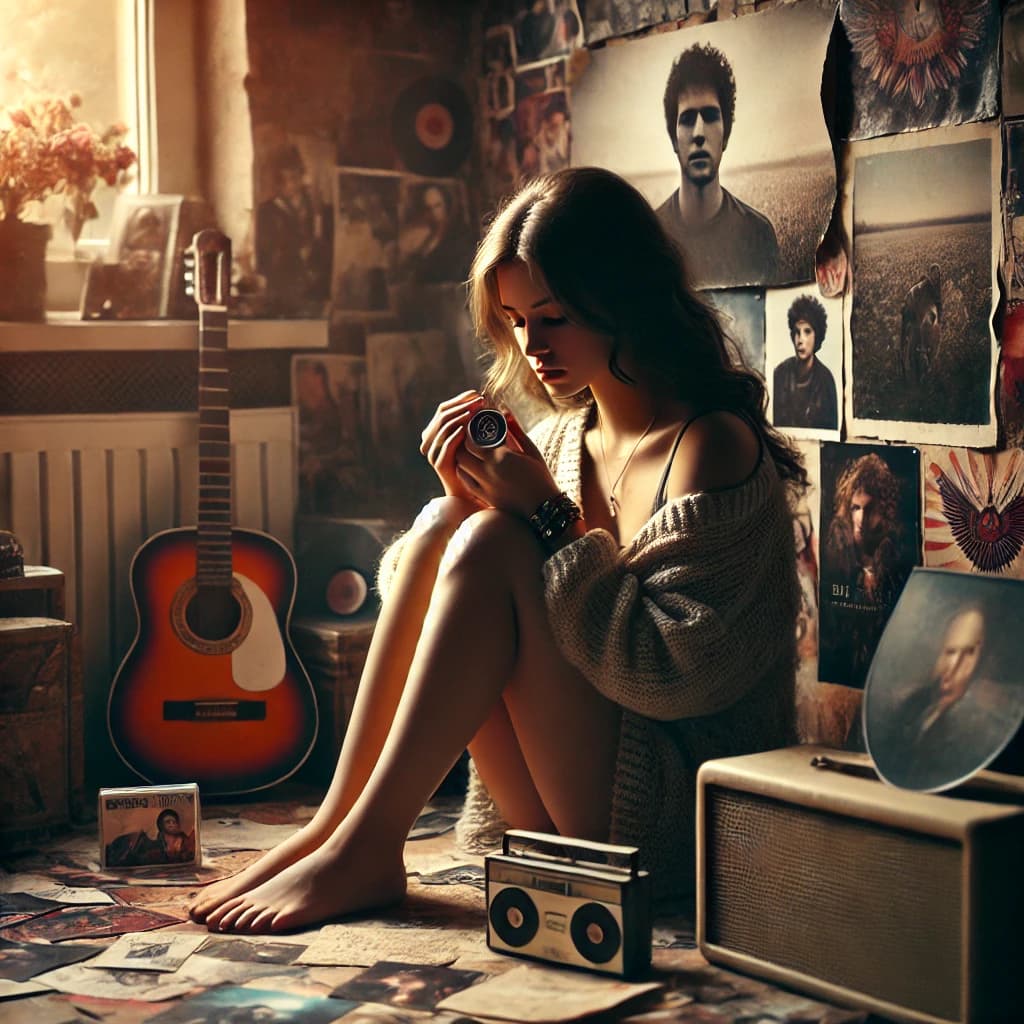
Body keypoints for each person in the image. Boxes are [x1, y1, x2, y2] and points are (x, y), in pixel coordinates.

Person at [188, 166, 804, 935]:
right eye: (515, 319)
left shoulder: (710, 446)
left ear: (622, 298)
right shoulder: (559, 439)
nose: (530, 344)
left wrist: (546, 517)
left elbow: (675, 679)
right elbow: (461, 606)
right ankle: (339, 824)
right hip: (564, 800)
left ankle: (368, 845)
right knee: (452, 521)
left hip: (674, 817)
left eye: (552, 317)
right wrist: (459, 507)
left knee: (486, 537)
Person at [656, 43, 780, 289]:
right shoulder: (651, 236)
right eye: (688, 119)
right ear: (673, 139)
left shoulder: (758, 234)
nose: (699, 133)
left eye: (711, 116)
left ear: (725, 136)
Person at [869, 605, 1024, 791]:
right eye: (950, 652)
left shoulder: (988, 727)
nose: (953, 666)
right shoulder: (911, 706)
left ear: (988, 661)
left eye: (969, 653)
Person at [820, 452, 910, 687]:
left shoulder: (896, 564)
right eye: (855, 508)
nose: (861, 518)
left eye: (869, 508)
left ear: (885, 510)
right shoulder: (837, 562)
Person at [255, 143, 331, 317]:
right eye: (284, 179)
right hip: (283, 287)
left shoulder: (313, 208)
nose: (290, 184)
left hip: (312, 289)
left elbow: (321, 245)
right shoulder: (268, 211)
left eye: (295, 177)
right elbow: (266, 256)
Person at [772, 294, 838, 430]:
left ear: (817, 335)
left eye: (807, 332)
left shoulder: (826, 381)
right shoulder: (779, 374)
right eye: (797, 332)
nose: (800, 340)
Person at [398, 184, 474, 286]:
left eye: (437, 206)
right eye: (428, 208)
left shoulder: (460, 236)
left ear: (446, 206)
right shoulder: (425, 238)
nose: (433, 212)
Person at [106, 808, 196, 867]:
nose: (171, 824)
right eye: (168, 822)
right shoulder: (154, 844)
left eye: (174, 822)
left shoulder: (184, 840)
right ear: (161, 825)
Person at [899, 262, 942, 384]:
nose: (937, 276)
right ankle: (906, 362)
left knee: (923, 331)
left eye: (938, 274)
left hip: (919, 311)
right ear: (930, 274)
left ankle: (920, 365)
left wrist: (938, 319)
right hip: (910, 308)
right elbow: (916, 300)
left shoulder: (934, 287)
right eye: (934, 274)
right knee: (911, 335)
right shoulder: (925, 286)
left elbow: (937, 303)